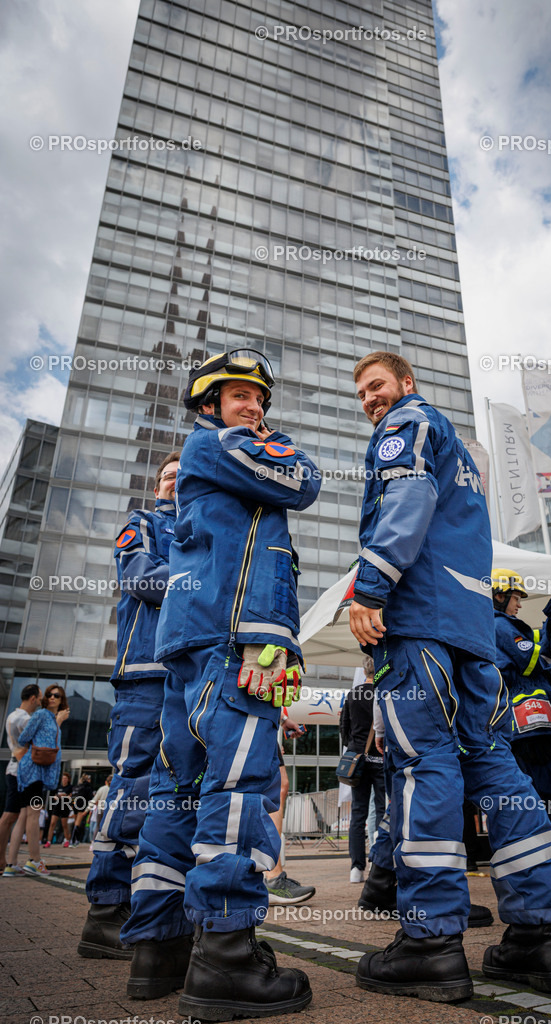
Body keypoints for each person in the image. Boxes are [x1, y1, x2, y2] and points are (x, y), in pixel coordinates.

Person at [349, 352, 551, 1002]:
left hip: (420, 621)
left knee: (424, 768)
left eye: (377, 386)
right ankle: (540, 936)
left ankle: (429, 942)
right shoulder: (459, 454)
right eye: (362, 391)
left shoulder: (408, 425)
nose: (370, 399)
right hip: (473, 633)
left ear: (405, 385)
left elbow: (407, 497)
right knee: (490, 763)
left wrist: (368, 588)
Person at [120, 350, 320, 1020]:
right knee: (236, 789)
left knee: (177, 794)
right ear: (209, 404)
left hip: (196, 643)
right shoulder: (215, 446)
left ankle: (160, 950)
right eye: (239, 396)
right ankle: (227, 960)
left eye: (260, 400)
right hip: (234, 641)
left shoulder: (215, 458)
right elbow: (303, 480)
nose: (255, 408)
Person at [78, 450, 179, 960]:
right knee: (132, 786)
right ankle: (105, 911)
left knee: (174, 796)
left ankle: (153, 908)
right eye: (166, 477)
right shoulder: (139, 524)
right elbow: (141, 578)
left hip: (188, 679)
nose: (172, 484)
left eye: (181, 477)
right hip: (144, 677)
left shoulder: (204, 525)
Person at [491, 568, 551, 909]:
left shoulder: (502, 626)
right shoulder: (500, 625)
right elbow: (537, 657)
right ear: (500, 596)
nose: (519, 605)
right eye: (517, 598)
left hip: (539, 729)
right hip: (530, 732)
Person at [340, 655, 386, 884]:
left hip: (357, 759)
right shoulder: (384, 692)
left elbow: (344, 729)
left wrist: (355, 747)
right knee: (381, 809)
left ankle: (356, 868)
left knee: (358, 813)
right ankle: (378, 862)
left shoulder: (353, 694)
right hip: (380, 757)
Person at [16, 685, 70, 872]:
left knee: (29, 814)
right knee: (33, 814)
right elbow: (23, 738)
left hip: (41, 772)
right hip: (33, 770)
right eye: (49, 695)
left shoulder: (52, 718)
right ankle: (34, 860)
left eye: (57, 695)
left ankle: (13, 862)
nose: (53, 698)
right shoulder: (41, 715)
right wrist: (58, 722)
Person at [265, 712, 316, 905]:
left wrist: (282, 719)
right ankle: (272, 877)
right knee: (275, 786)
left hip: (258, 715)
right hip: (252, 713)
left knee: (276, 785)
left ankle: (268, 874)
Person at [0, 684, 43, 876]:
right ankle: (20, 860)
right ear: (33, 698)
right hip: (23, 771)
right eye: (40, 698)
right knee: (15, 816)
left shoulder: (13, 716)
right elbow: (41, 742)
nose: (41, 701)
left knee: (15, 816)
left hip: (16, 770)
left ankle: (9, 862)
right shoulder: (24, 719)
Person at [44, 771, 72, 847]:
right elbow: (55, 795)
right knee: (52, 823)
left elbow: (68, 796)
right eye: (63, 778)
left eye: (66, 778)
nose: (64, 780)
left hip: (65, 807)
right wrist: (58, 797)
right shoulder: (58, 787)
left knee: (64, 824)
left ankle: (67, 840)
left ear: (68, 779)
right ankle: (48, 841)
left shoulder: (70, 787)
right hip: (57, 806)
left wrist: (62, 796)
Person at [70, 773, 94, 847]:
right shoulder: (88, 787)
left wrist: (72, 805)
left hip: (75, 805)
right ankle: (73, 841)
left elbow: (72, 796)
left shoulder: (77, 787)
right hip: (81, 806)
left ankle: (76, 840)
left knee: (76, 823)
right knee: (77, 823)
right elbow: (90, 798)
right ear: (88, 780)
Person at [88, 774, 112, 845]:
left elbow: (94, 799)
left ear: (106, 782)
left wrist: (87, 809)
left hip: (99, 809)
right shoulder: (113, 789)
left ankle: (93, 842)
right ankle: (104, 842)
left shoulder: (101, 789)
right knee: (106, 826)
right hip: (107, 810)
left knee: (98, 826)